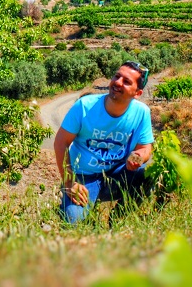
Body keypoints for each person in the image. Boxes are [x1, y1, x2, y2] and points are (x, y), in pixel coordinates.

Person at [53, 61, 155, 224]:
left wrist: (139, 156)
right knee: (72, 222)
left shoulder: (141, 113)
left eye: (126, 81)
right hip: (83, 177)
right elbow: (60, 143)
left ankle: (117, 220)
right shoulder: (85, 106)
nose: (118, 82)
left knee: (148, 175)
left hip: (117, 174)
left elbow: (145, 147)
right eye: (117, 76)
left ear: (137, 93)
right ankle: (71, 205)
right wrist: (69, 183)